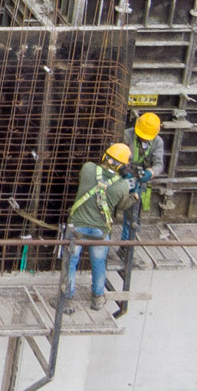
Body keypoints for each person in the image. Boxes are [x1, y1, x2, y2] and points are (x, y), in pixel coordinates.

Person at [67, 142, 133, 311]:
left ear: (105, 156)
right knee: (98, 263)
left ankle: (67, 300)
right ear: (122, 166)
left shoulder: (88, 168)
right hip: (100, 232)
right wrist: (135, 197)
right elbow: (122, 206)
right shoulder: (122, 186)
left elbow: (86, 182)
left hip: (76, 228)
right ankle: (97, 298)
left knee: (70, 263)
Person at [121, 111, 166, 236]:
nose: (143, 138)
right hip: (122, 176)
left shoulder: (157, 142)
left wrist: (150, 172)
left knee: (132, 216)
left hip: (139, 180)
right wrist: (124, 171)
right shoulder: (127, 135)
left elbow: (159, 164)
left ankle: (126, 246)